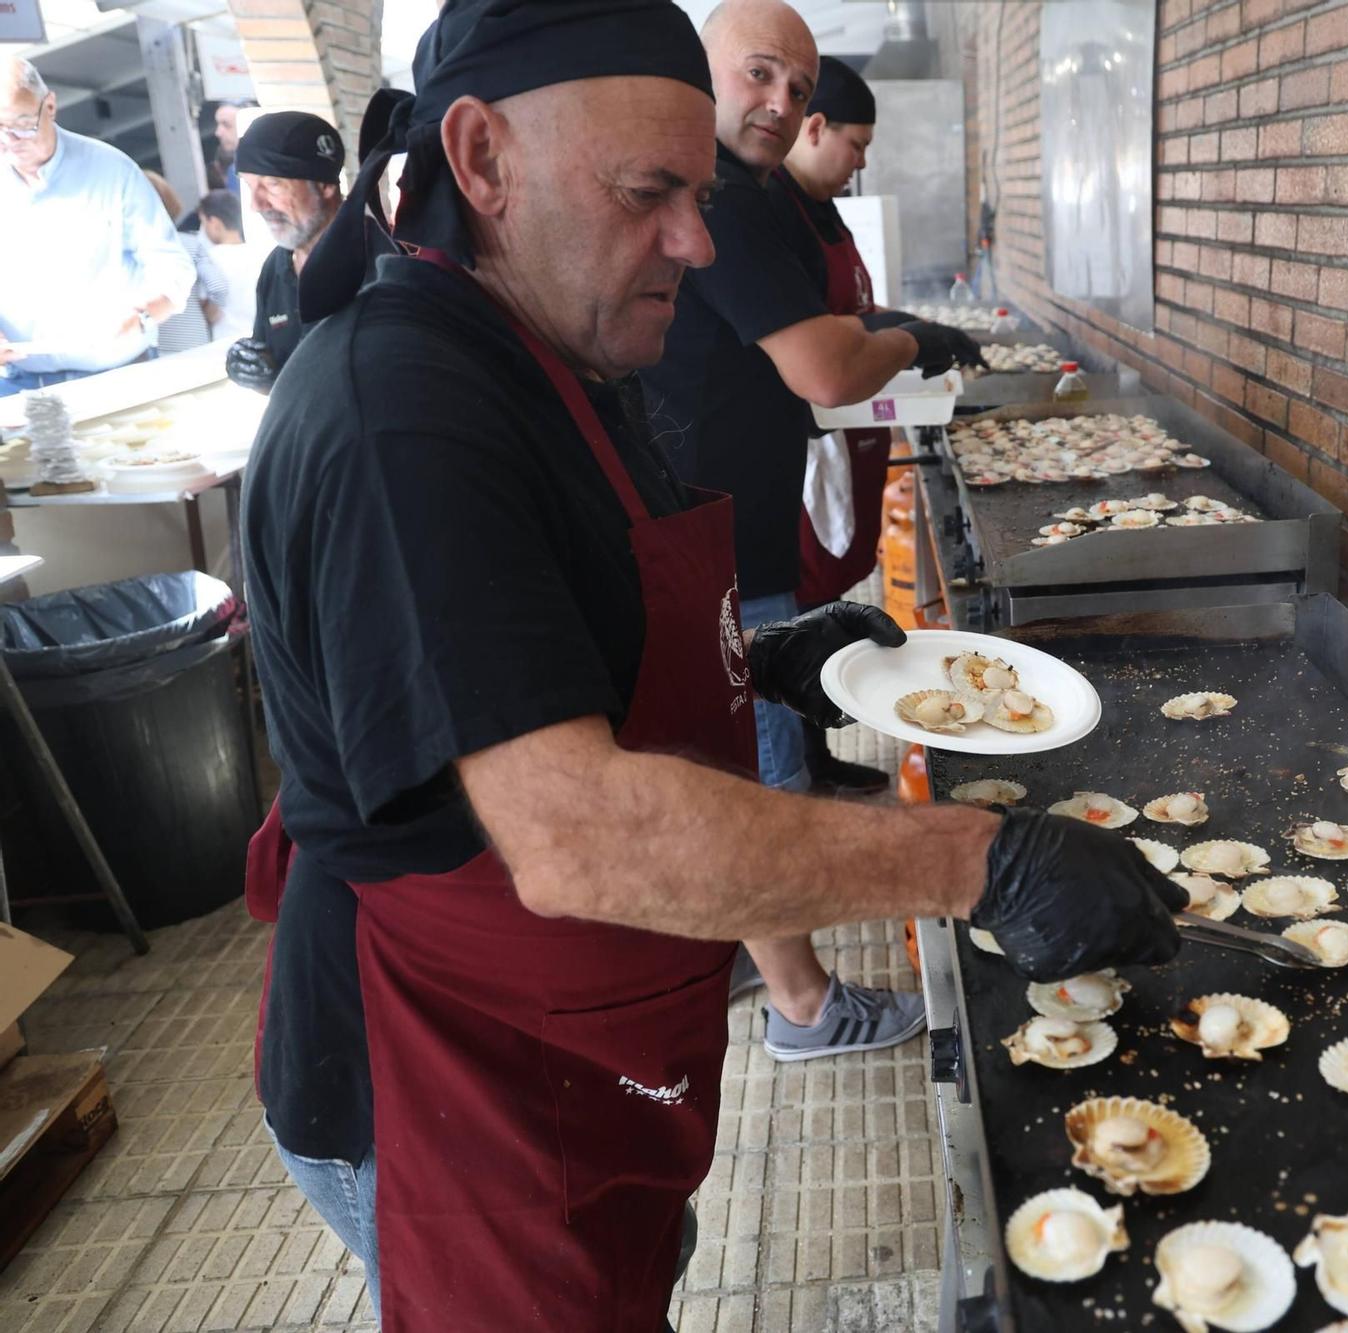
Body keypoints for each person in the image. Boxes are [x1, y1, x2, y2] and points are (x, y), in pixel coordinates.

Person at [246, 2, 1182, 1328]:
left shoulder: (555, 350)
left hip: (609, 1057)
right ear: (481, 158)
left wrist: (770, 656)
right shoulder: (404, 414)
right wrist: (976, 860)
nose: (695, 238)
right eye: (648, 193)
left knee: (638, 1268)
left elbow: (573, 637)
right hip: (456, 1080)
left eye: (694, 193)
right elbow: (572, 832)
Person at [640, 0, 986, 1066]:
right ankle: (805, 1010)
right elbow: (825, 368)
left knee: (746, 757)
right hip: (712, 540)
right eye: (759, 76)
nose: (782, 104)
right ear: (701, 73)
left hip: (722, 521)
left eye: (795, 86)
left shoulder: (742, 196)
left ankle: (754, 948)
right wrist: (901, 340)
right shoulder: (733, 209)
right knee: (758, 776)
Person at [770, 57, 911, 788]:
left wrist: (888, 325)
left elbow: (849, 317)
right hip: (808, 450)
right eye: (854, 144)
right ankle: (800, 766)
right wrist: (904, 340)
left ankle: (818, 755)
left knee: (824, 603)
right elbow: (820, 354)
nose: (859, 161)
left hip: (852, 434)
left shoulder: (823, 208)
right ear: (815, 127)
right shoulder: (775, 211)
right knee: (800, 606)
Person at [0, 57, 195, 396]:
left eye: (22, 125)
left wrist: (145, 315)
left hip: (119, 374)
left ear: (50, 106)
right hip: (23, 384)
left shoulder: (112, 169)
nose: (10, 141)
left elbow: (172, 266)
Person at [224, 111, 370, 393]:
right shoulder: (276, 267)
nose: (256, 204)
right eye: (249, 185)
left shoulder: (378, 261)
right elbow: (282, 369)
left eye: (273, 184)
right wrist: (260, 372)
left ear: (325, 185)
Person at [144, 170, 219, 355]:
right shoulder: (190, 243)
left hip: (155, 349)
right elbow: (218, 286)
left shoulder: (129, 254)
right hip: (196, 341)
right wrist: (210, 313)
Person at [198, 190, 263, 341]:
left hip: (224, 340)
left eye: (203, 222)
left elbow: (211, 313)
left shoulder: (209, 259)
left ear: (214, 223)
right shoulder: (258, 254)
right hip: (258, 337)